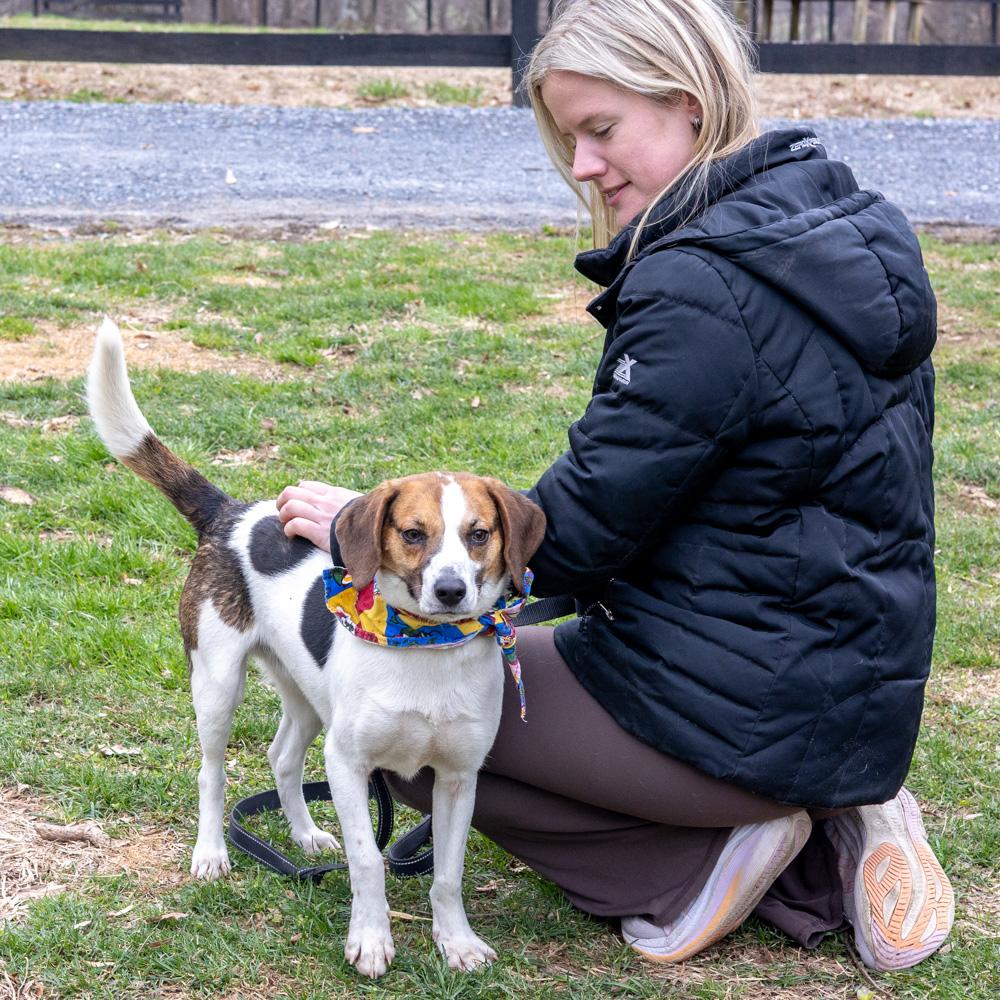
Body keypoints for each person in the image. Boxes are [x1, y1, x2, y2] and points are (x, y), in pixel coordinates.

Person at [276, 0, 953, 970]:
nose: (583, 166)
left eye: (599, 130)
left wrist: (369, 525)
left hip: (743, 714)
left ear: (685, 105)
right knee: (492, 677)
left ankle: (706, 861)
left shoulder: (700, 285)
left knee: (415, 728)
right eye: (568, 139)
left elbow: (580, 534)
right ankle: (846, 811)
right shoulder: (843, 222)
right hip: (856, 688)